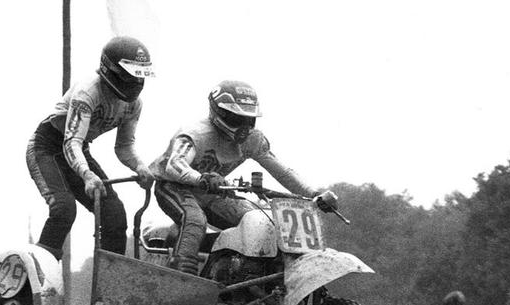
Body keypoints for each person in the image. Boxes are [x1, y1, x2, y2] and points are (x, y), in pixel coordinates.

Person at [148, 80, 328, 274]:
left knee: (262, 221)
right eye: (237, 119)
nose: (244, 126)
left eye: (249, 119)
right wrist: (201, 178)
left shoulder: (253, 139)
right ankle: (182, 274)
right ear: (219, 112)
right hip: (173, 186)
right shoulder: (196, 134)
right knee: (195, 219)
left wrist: (314, 194)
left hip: (214, 190)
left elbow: (282, 171)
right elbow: (175, 164)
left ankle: (250, 272)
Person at [26, 36, 155, 263]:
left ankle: (110, 280)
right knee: (64, 209)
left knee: (114, 213)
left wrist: (140, 167)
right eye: (129, 76)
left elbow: (124, 147)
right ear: (110, 70)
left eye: (139, 76)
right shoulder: (88, 92)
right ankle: (40, 270)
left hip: (79, 151)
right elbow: (71, 141)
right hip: (47, 147)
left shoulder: (134, 104)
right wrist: (86, 174)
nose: (135, 82)